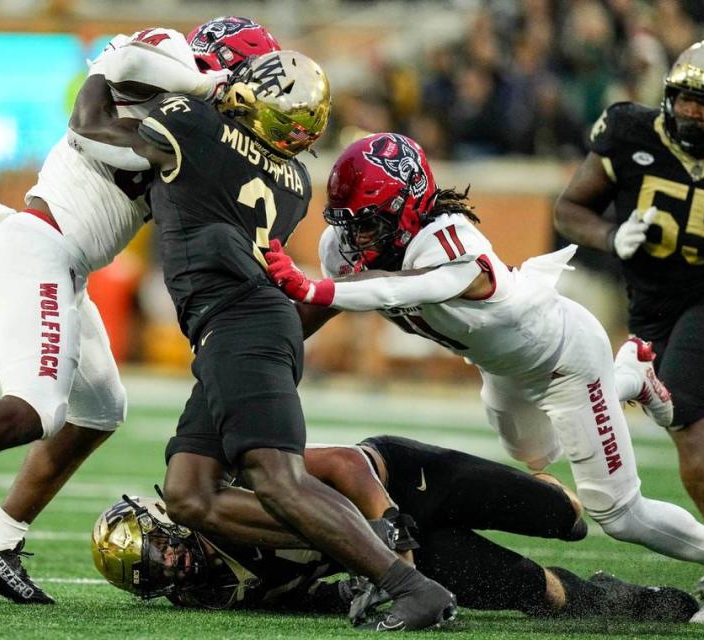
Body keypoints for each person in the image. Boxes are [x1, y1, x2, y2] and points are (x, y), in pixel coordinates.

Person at [0, 19, 266, 604]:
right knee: (37, 408)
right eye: (251, 77)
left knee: (100, 410)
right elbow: (113, 74)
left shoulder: (201, 132)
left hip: (69, 264)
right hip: (41, 245)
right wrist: (213, 84)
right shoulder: (176, 67)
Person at [264, 132, 704, 625]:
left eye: (369, 224)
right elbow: (323, 307)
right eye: (348, 224)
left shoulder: (450, 238)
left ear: (408, 206)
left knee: (618, 514)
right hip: (502, 369)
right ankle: (628, 377)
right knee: (533, 454)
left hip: (565, 358)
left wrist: (317, 285)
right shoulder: (347, 248)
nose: (355, 239)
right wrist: (256, 350)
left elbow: (408, 285)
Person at [73, 51, 457, 632]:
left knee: (280, 481)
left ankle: (408, 584)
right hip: (242, 323)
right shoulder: (295, 182)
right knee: (188, 495)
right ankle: (351, 543)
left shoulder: (196, 126)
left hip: (238, 322)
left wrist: (108, 63)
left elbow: (90, 122)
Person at [91, 437, 699, 623]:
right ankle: (628, 600)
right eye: (151, 574)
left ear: (165, 517)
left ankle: (540, 479)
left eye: (158, 549)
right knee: (544, 596)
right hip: (398, 557)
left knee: (568, 519)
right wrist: (363, 589)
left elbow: (346, 465)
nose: (169, 565)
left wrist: (387, 528)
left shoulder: (214, 490)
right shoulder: (223, 591)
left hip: (401, 483)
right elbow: (315, 598)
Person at [554, 38, 704, 618]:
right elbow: (569, 209)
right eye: (685, 99)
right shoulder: (631, 131)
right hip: (654, 302)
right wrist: (612, 236)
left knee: (680, 403)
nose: (693, 113)